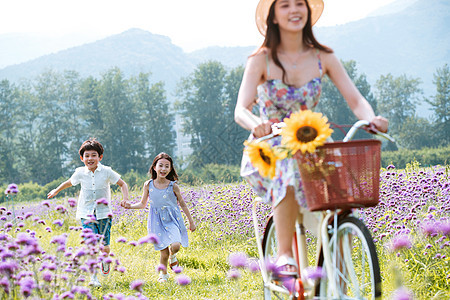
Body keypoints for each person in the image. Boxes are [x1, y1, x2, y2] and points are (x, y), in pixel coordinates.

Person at [234, 0, 388, 282]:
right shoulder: (261, 59)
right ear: (273, 16)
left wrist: (371, 118)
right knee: (291, 166)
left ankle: (339, 275)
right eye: (285, 5)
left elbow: (355, 99)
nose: (294, 10)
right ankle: (284, 255)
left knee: (343, 197)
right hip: (269, 149)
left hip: (311, 146)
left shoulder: (323, 57)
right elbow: (241, 109)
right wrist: (257, 125)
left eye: (300, 4)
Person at [47, 138, 129, 287]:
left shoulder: (107, 171)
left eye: (93, 155)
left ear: (100, 157)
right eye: (87, 156)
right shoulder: (80, 172)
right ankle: (93, 278)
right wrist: (56, 190)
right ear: (82, 158)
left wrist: (125, 199)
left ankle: (105, 259)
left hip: (104, 213)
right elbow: (69, 182)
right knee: (91, 245)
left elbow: (123, 184)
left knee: (104, 246)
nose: (90, 158)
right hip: (86, 213)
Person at [120, 152, 196, 283]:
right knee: (163, 251)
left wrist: (191, 221)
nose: (164, 169)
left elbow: (182, 204)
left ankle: (173, 258)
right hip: (156, 221)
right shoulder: (148, 185)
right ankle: (163, 275)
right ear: (154, 167)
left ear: (170, 169)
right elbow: (143, 204)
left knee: (176, 245)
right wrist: (130, 206)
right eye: (161, 165)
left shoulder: (173, 186)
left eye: (167, 166)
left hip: (172, 219)